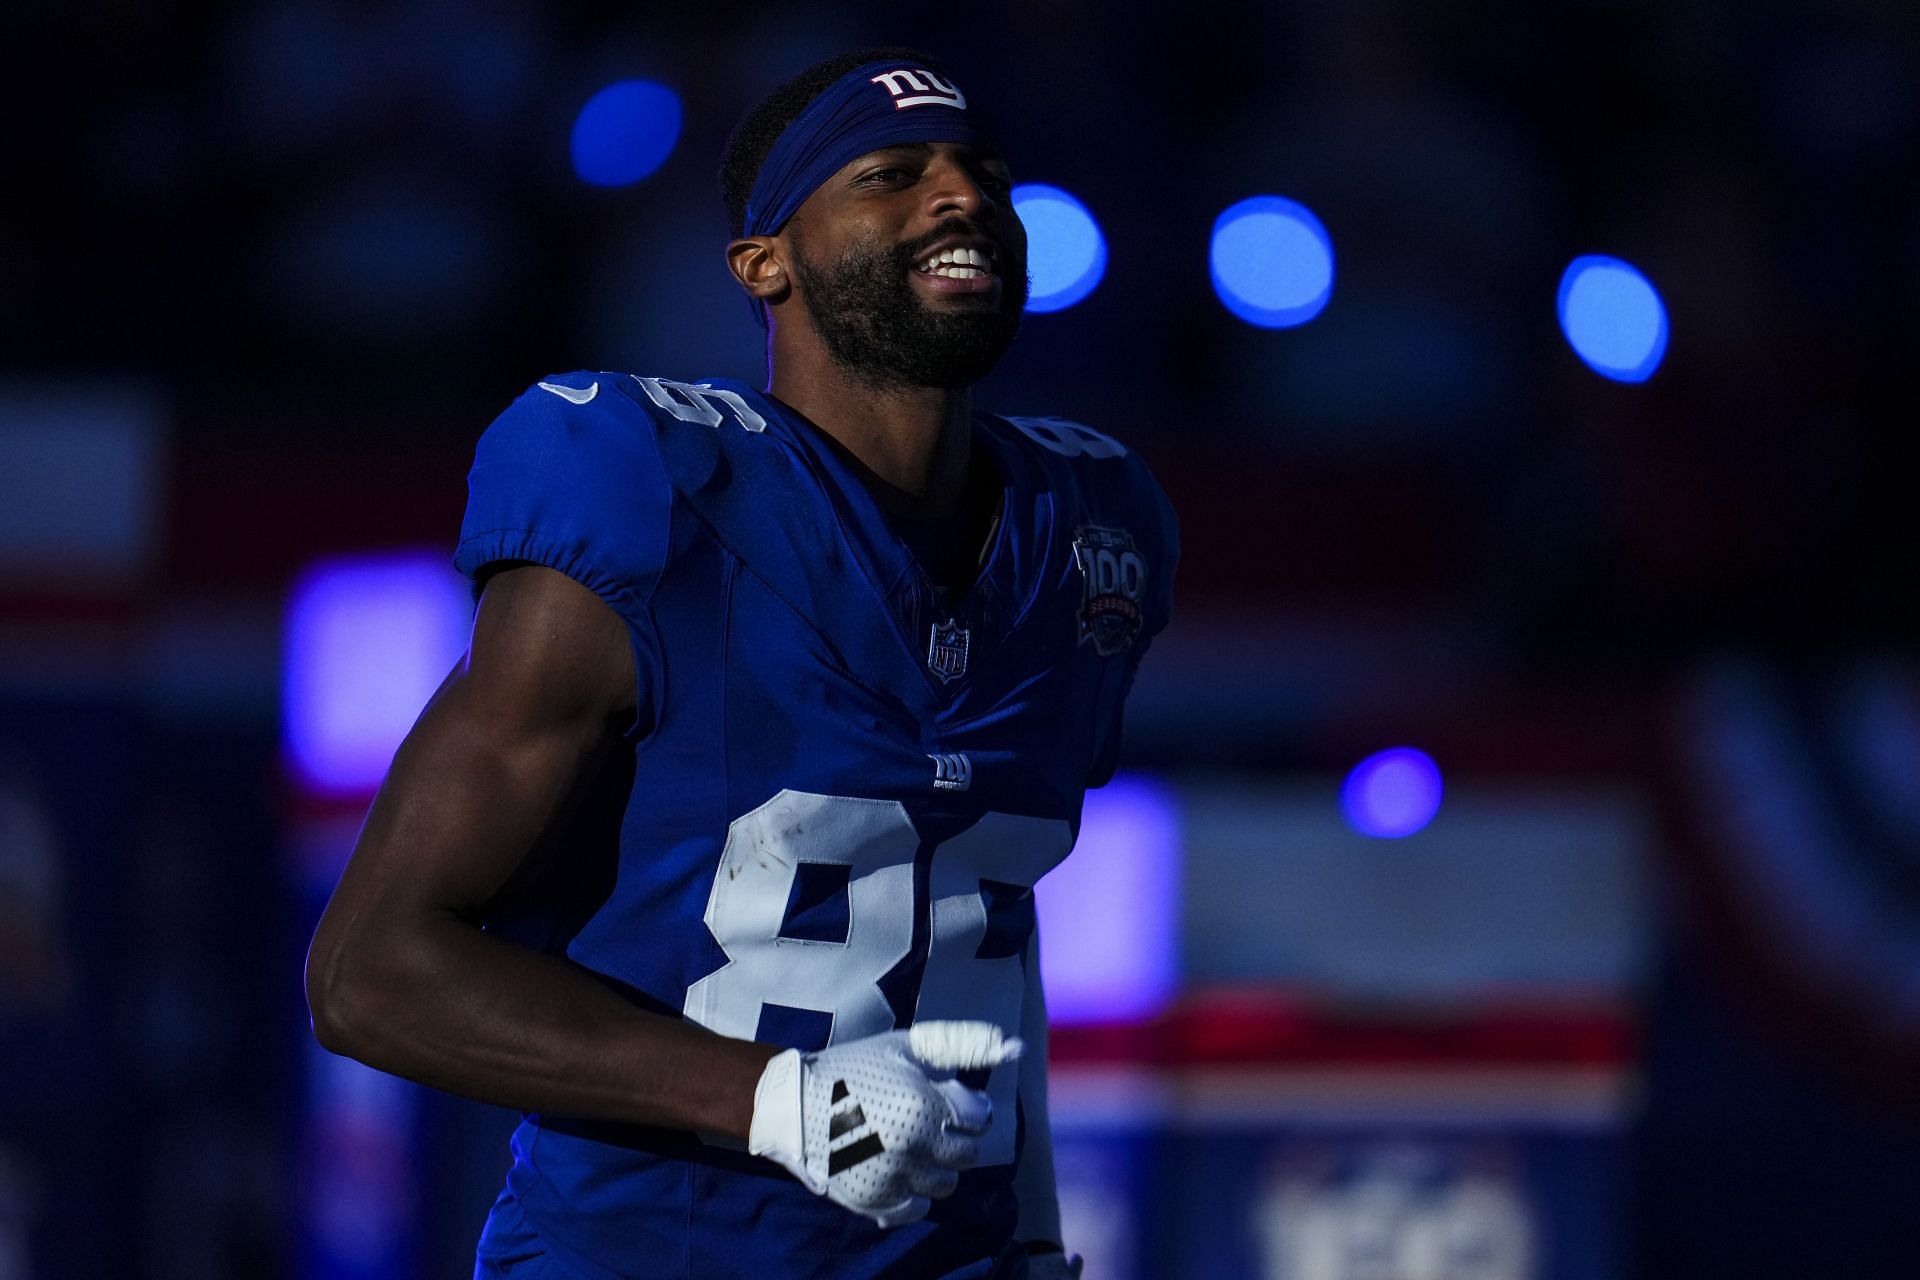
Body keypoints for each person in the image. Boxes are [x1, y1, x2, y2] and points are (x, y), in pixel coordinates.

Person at [305, 46, 1176, 1280]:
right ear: (766, 262)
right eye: (892, 174)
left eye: (983, 173)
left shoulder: (1089, 523)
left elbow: (980, 934)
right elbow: (370, 969)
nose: (961, 197)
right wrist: (777, 1100)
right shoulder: (654, 491)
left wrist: (1031, 1230)